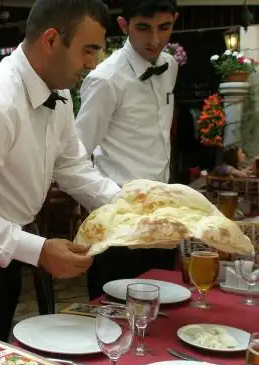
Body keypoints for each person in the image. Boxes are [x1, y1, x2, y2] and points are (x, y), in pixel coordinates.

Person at [0, 0, 120, 342]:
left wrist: (129, 206)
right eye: (88, 50)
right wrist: (39, 250)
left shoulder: (58, 90)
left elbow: (72, 165)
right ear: (50, 40)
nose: (93, 64)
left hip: (10, 236)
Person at [75, 0, 179, 300]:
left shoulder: (170, 65)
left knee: (162, 312)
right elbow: (76, 154)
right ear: (124, 25)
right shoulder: (105, 79)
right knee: (114, 318)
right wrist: (115, 203)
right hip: (118, 221)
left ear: (174, 20)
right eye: (144, 28)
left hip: (161, 218)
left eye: (164, 27)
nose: (155, 40)